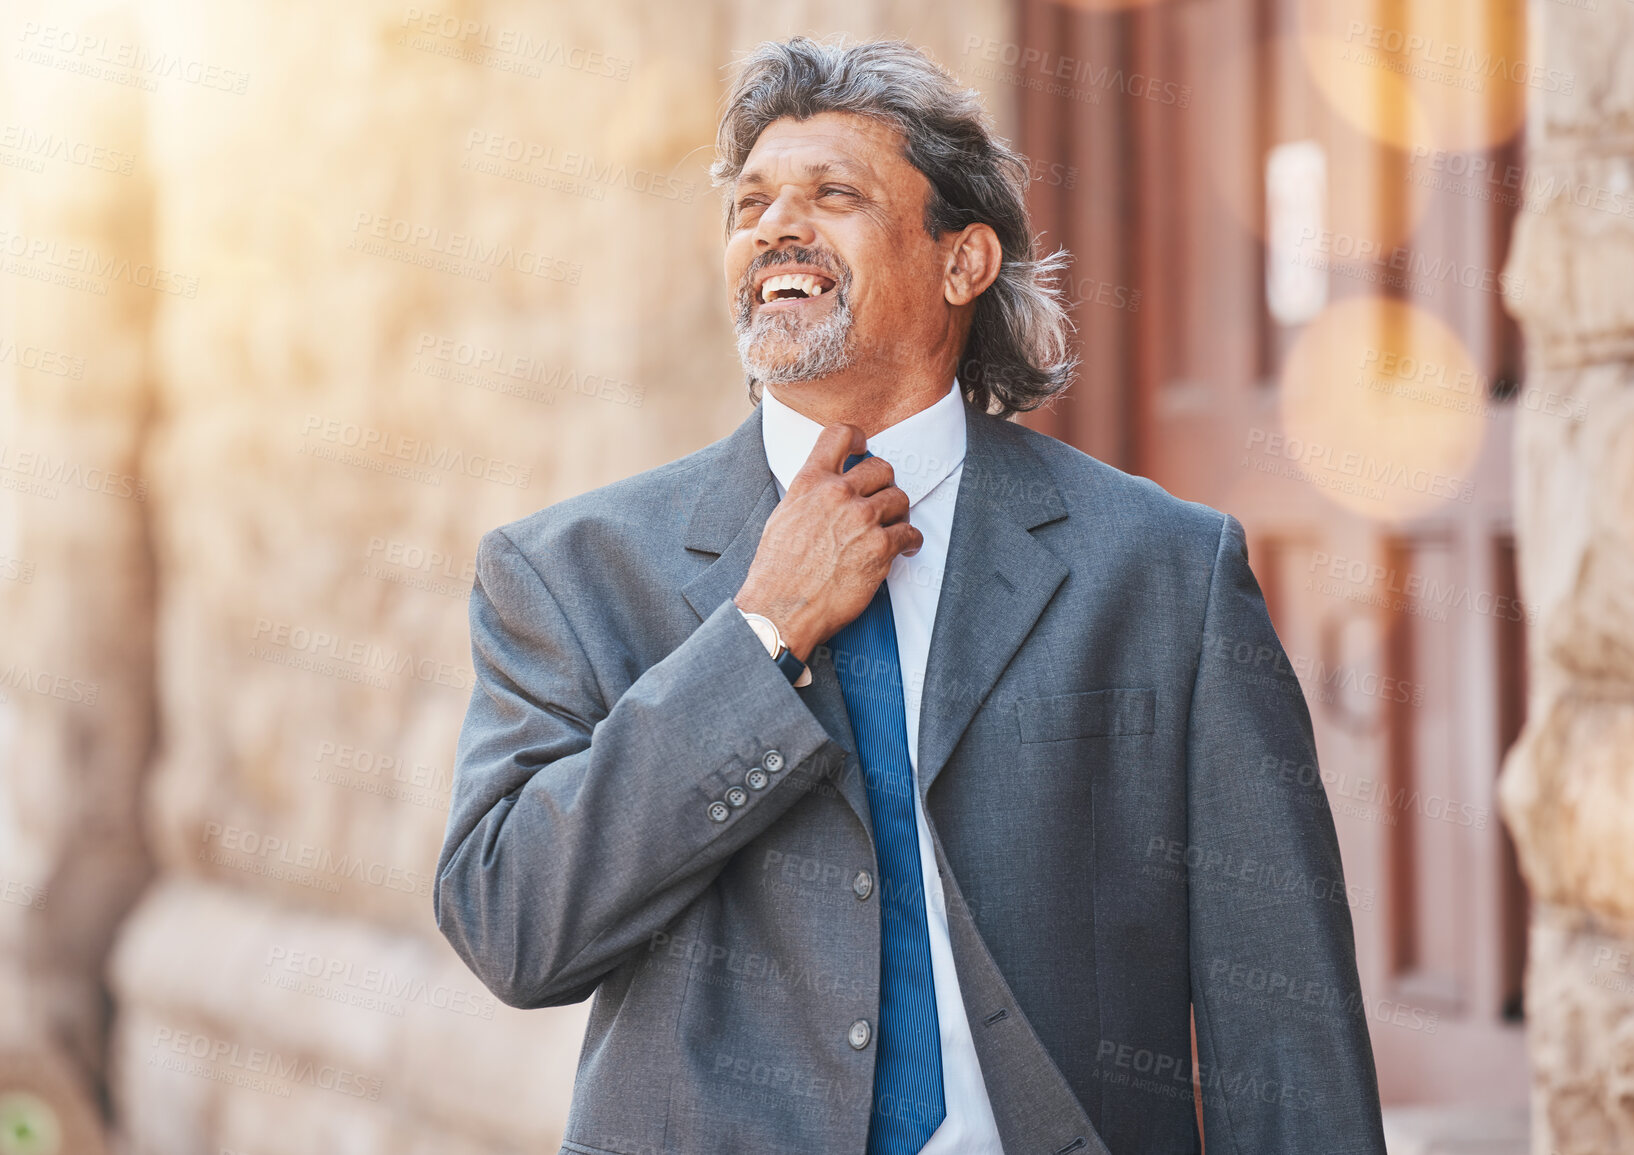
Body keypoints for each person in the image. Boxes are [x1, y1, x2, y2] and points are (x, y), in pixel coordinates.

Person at [436, 35, 1386, 1155]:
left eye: (833, 193)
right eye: (751, 206)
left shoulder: (1166, 572)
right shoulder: (572, 573)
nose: (775, 227)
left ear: (963, 261)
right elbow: (511, 927)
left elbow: (1281, 1019)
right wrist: (759, 635)